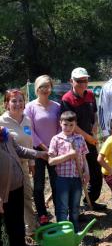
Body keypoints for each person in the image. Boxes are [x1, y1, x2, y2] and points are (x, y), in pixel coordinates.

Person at [0, 126, 46, 246]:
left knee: (16, 218)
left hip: (17, 184)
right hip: (3, 192)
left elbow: (19, 150)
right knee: (5, 222)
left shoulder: (5, 135)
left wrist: (39, 154)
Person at [60, 67, 105, 211]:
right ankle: (74, 208)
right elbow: (72, 124)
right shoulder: (67, 99)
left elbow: (95, 114)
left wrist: (95, 126)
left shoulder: (90, 95)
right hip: (74, 143)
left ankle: (90, 200)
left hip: (90, 140)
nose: (83, 83)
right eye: (79, 81)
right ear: (71, 81)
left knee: (96, 173)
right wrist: (88, 137)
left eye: (85, 80)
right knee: (77, 175)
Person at [0, 89, 38, 235]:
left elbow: (29, 143)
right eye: (14, 101)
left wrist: (31, 163)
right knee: (10, 200)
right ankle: (12, 233)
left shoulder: (27, 119)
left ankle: (30, 229)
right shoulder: (2, 122)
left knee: (27, 195)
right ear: (7, 104)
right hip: (6, 168)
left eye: (21, 100)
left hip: (23, 164)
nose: (18, 104)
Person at [25, 75, 60, 225]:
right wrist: (44, 149)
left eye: (48, 86)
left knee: (57, 184)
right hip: (38, 151)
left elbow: (60, 127)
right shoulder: (30, 107)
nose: (45, 90)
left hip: (55, 152)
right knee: (38, 185)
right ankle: (42, 214)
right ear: (37, 89)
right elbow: (29, 130)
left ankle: (61, 212)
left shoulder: (57, 106)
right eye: (42, 87)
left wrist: (52, 149)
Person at [48, 111, 89, 233]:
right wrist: (68, 155)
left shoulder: (79, 138)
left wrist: (87, 172)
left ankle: (74, 231)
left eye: (71, 125)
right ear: (60, 123)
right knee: (63, 208)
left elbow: (84, 158)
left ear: (75, 124)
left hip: (77, 178)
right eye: (65, 124)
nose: (68, 128)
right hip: (62, 179)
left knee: (75, 207)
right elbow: (51, 161)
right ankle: (63, 232)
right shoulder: (56, 139)